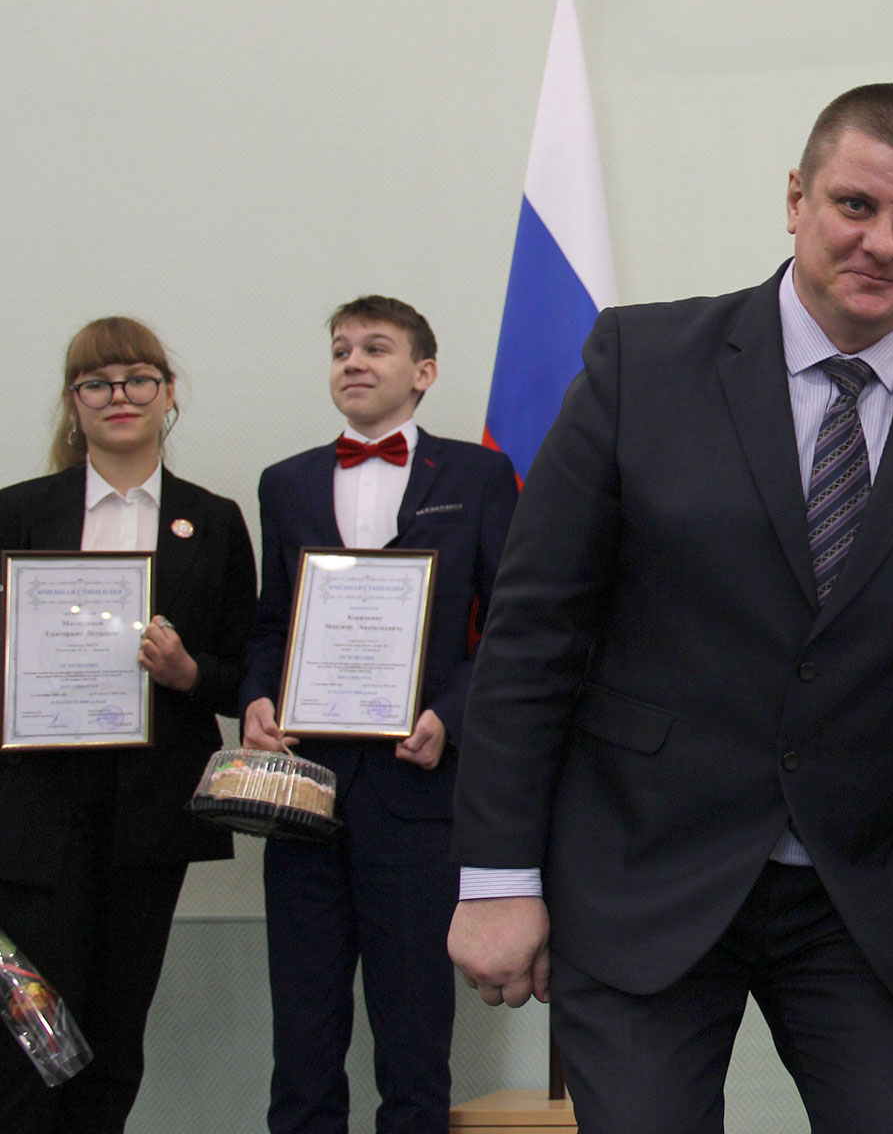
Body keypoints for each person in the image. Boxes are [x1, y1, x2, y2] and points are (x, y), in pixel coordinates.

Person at [447, 83, 893, 1134]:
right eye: (855, 204)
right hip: (645, 870)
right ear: (796, 198)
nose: (882, 242)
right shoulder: (640, 365)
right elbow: (533, 634)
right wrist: (497, 876)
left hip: (872, 895)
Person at [238, 296, 518, 1134]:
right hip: (305, 794)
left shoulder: (477, 476)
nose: (353, 362)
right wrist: (257, 697)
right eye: (340, 350)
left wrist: (450, 715)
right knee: (302, 1037)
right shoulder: (285, 482)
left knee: (413, 1037)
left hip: (418, 792)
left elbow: (511, 625)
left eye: (375, 348)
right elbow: (272, 623)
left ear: (423, 373)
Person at [0, 317, 256, 1134]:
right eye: (97, 382)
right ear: (73, 401)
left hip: (148, 816)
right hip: (34, 816)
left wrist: (188, 673)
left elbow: (246, 672)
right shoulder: (17, 513)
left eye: (138, 378)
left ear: (168, 394)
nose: (120, 395)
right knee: (30, 1038)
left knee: (114, 1036)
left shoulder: (212, 520)